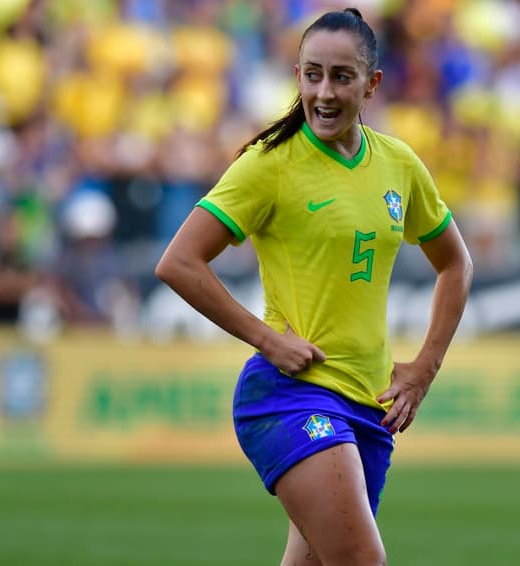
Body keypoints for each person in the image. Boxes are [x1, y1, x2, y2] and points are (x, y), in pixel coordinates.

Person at [155, 8, 472, 565]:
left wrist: (424, 368)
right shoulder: (269, 164)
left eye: (341, 77)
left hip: (368, 408)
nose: (323, 92)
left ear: (371, 84)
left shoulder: (399, 164)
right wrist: (267, 339)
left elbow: (456, 265)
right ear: (297, 75)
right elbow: (179, 263)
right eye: (311, 74)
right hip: (290, 396)